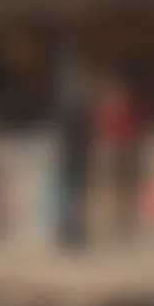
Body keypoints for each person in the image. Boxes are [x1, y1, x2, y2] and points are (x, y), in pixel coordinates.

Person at [92, 75, 146, 247]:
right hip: (116, 150)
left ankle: (124, 224)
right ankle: (114, 224)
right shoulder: (108, 108)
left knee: (125, 189)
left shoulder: (125, 108)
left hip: (125, 150)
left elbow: (136, 128)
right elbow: (101, 129)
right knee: (112, 190)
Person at [58, 66, 93, 250]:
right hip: (75, 167)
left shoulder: (71, 118)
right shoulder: (77, 120)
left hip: (73, 167)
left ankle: (71, 236)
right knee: (73, 202)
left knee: (72, 202)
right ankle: (72, 236)